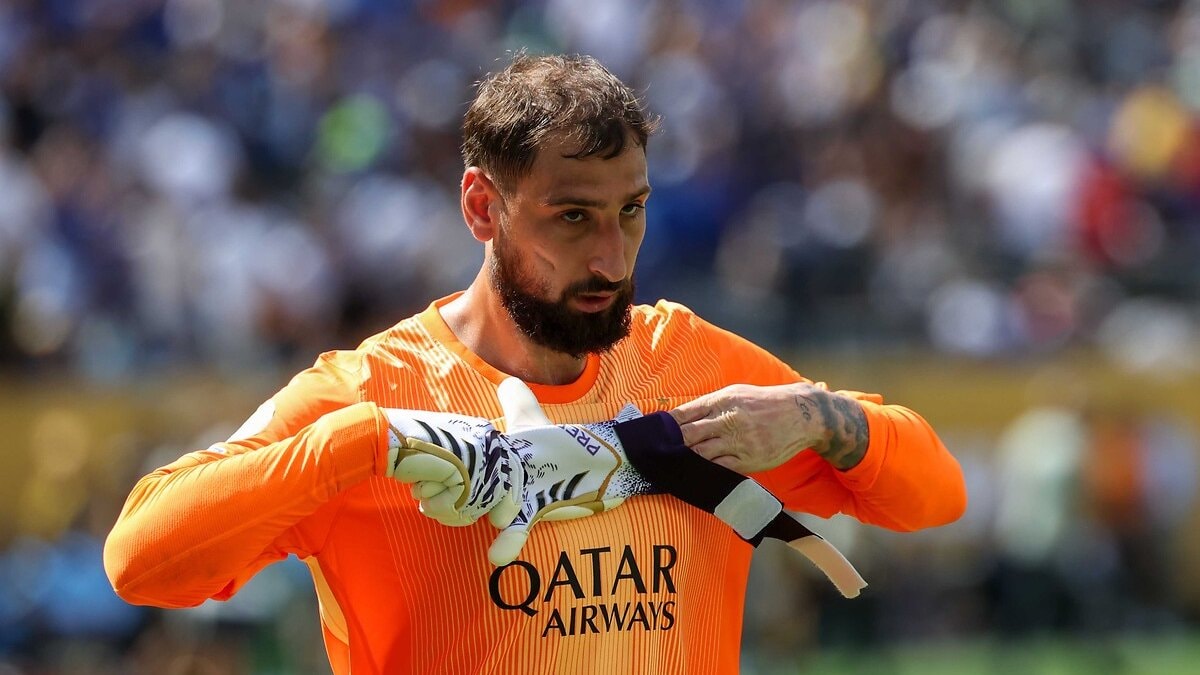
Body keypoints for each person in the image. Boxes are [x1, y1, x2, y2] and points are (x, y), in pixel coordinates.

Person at [103, 53, 966, 674]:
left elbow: (934, 496)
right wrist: (369, 442)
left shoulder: (688, 361)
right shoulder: (372, 389)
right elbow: (140, 561)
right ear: (484, 207)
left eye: (631, 211)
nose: (612, 259)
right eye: (573, 217)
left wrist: (818, 418)